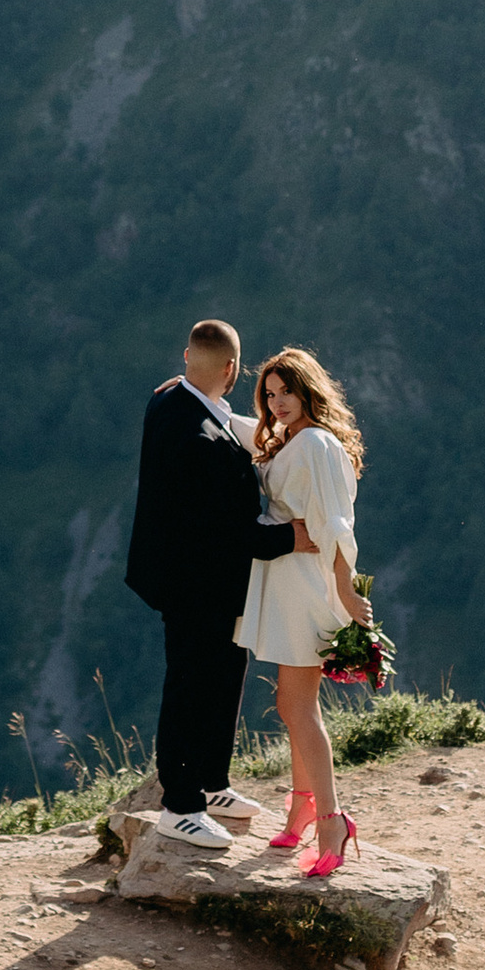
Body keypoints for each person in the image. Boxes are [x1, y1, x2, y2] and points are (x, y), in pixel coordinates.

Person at [123, 317, 304, 849]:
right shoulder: (199, 437)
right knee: (190, 684)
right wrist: (291, 538)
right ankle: (180, 805)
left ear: (187, 358)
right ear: (231, 369)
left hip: (198, 577)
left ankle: (212, 781)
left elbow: (224, 421)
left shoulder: (170, 401)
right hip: (193, 584)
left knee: (226, 671)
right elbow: (228, 531)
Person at [234, 345, 374, 878]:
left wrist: (344, 589)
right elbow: (244, 428)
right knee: (292, 703)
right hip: (287, 582)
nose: (277, 402)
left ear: (307, 389)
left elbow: (336, 523)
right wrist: (191, 394)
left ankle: (332, 818)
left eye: (286, 391)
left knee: (299, 707)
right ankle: (302, 806)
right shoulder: (295, 437)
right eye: (269, 395)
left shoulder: (314, 443)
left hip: (307, 586)